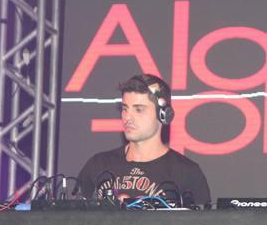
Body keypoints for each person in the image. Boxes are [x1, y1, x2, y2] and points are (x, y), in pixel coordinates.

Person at [77, 74, 211, 205]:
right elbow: (73, 217)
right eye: (125, 109)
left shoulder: (187, 172)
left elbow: (201, 220)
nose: (127, 117)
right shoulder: (98, 165)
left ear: (163, 114)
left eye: (139, 110)